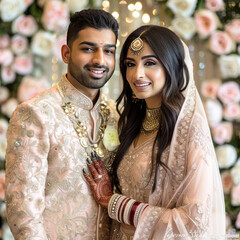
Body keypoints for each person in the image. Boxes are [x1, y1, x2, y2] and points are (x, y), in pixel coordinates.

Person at [83, 25, 226, 240]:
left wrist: (115, 203)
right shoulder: (129, 124)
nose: (137, 74)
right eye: (130, 64)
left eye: (150, 63)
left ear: (172, 67)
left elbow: (196, 221)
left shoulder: (189, 129)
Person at [5, 9, 119, 240]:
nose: (99, 60)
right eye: (88, 49)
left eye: (108, 51)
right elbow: (23, 213)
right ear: (66, 53)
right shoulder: (36, 113)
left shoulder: (119, 114)